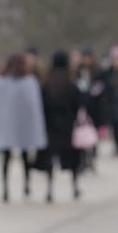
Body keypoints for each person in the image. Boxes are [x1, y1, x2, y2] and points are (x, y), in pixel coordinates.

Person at [0, 54, 47, 203]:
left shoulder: (2, 82)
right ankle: (26, 184)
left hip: (8, 126)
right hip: (23, 125)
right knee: (25, 156)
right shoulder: (29, 82)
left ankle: (5, 188)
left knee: (6, 158)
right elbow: (34, 108)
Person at [32, 52, 82, 203]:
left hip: (50, 127)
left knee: (50, 160)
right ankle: (74, 186)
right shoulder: (71, 84)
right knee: (72, 159)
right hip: (68, 127)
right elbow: (79, 104)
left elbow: (40, 106)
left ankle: (49, 189)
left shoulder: (46, 85)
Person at [76, 47, 106, 172]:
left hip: (95, 108)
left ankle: (92, 159)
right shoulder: (77, 72)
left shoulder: (98, 72)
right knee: (81, 136)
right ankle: (82, 161)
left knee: (93, 136)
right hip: (81, 107)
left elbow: (103, 87)